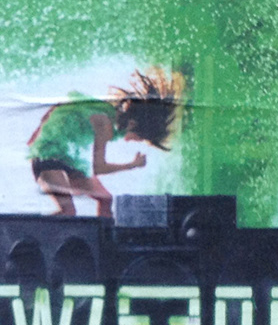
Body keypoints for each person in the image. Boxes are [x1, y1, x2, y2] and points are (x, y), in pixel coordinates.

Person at [28, 67, 186, 218]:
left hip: (68, 160)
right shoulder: (104, 125)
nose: (134, 141)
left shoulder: (106, 109)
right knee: (68, 211)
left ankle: (103, 235)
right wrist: (132, 165)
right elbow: (99, 168)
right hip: (46, 157)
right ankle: (24, 229)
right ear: (132, 124)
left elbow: (65, 103)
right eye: (138, 137)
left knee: (105, 199)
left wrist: (40, 128)